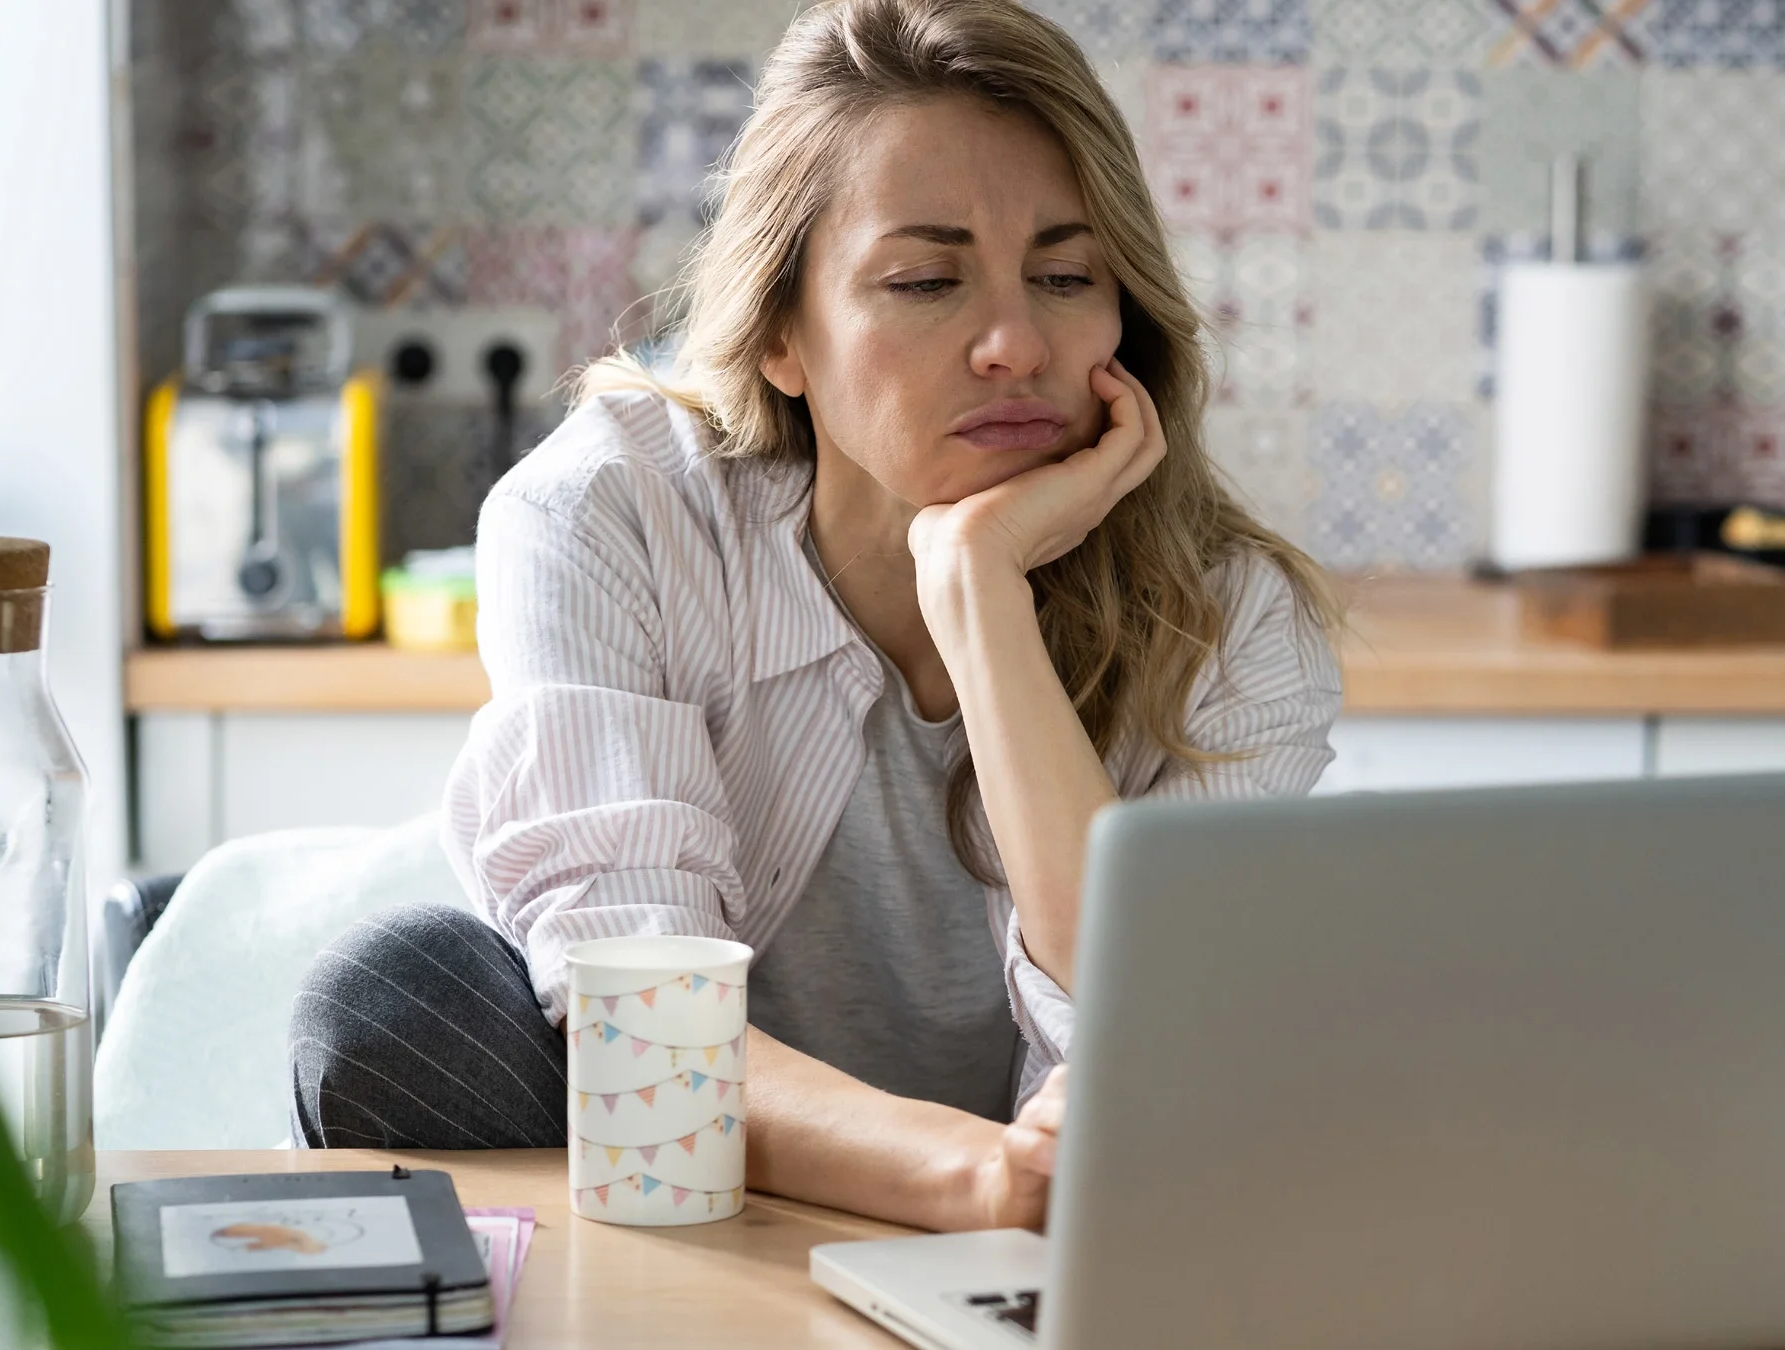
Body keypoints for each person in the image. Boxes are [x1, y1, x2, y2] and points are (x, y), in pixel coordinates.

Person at [287, 0, 1341, 1233]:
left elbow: (1156, 1032)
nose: (1015, 343)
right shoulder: (609, 511)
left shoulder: (1231, 617)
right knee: (396, 999)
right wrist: (977, 1176)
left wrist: (979, 597)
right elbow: (644, 1018)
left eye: (1066, 276)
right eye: (925, 282)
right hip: (704, 1192)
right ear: (782, 333)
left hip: (1065, 1243)